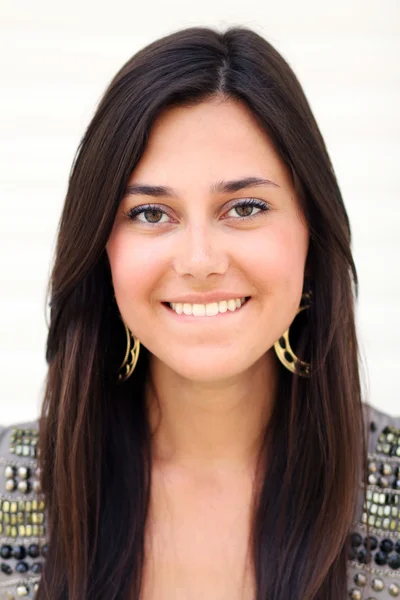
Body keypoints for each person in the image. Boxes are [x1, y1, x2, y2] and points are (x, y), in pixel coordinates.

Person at [0, 25, 399, 600]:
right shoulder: (16, 484)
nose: (200, 260)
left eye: (245, 207)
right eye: (151, 214)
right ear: (101, 248)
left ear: (312, 232)